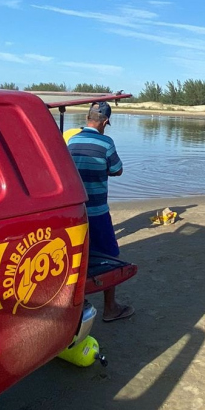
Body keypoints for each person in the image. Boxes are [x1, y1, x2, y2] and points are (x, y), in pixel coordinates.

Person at [68, 102, 134, 322]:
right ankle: (110, 308)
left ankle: (77, 305)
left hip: (75, 211)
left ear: (88, 118)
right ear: (105, 121)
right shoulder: (105, 142)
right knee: (110, 257)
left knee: (80, 257)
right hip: (97, 210)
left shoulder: (73, 140)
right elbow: (118, 170)